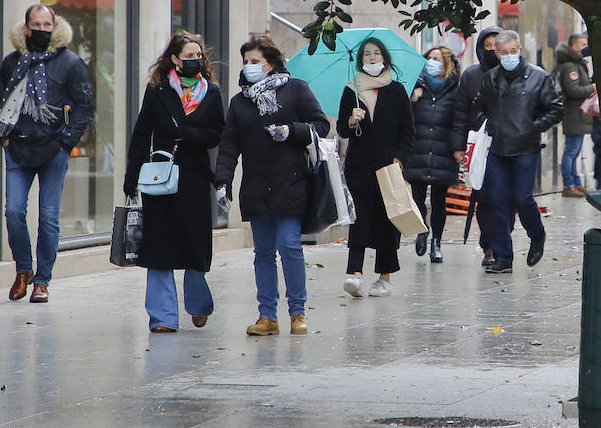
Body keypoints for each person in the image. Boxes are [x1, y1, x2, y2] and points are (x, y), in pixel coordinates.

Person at [214, 34, 328, 336]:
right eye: (246, 62)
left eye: (255, 61)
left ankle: (297, 312)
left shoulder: (296, 90)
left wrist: (291, 131)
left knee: (290, 245)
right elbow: (229, 145)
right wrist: (222, 181)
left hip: (291, 182)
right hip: (256, 185)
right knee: (262, 253)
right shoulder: (240, 102)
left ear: (271, 63)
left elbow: (321, 124)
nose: (249, 67)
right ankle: (267, 316)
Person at [124, 32, 225, 333]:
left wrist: (191, 135)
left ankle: (197, 304)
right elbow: (142, 132)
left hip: (194, 175)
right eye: (189, 56)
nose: (195, 61)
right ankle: (163, 317)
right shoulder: (157, 91)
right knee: (159, 244)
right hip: (160, 175)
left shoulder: (212, 92)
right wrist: (132, 178)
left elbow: (218, 132)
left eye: (198, 56)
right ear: (174, 59)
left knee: (194, 242)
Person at [0, 4, 94, 304]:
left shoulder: (71, 63)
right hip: (18, 147)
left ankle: (42, 281)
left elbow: (85, 106)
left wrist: (66, 142)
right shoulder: (12, 62)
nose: (41, 29)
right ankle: (23, 269)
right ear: (26, 28)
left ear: (55, 26)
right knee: (13, 212)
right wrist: (4, 138)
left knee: (49, 218)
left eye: (46, 24)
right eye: (35, 24)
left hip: (54, 150)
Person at [471, 30, 564, 273]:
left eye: (513, 51)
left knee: (522, 198)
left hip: (526, 148)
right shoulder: (490, 79)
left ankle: (537, 235)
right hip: (498, 148)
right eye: (504, 52)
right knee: (496, 201)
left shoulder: (538, 77)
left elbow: (555, 109)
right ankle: (503, 257)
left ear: (520, 50)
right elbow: (477, 106)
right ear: (497, 53)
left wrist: (533, 127)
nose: (510, 56)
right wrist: (488, 122)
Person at [339, 37, 415, 296]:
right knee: (358, 218)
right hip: (359, 167)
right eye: (367, 54)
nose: (372, 58)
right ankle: (355, 274)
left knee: (386, 220)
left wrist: (399, 157)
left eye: (376, 53)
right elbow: (341, 129)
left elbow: (408, 130)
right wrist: (351, 120)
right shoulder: (352, 89)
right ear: (361, 59)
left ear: (384, 57)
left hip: (387, 165)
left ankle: (384, 277)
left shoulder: (396, 90)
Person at [451, 26, 502, 265]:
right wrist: (458, 147)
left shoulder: (516, 73)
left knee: (508, 199)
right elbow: (460, 113)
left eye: (496, 45)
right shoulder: (471, 76)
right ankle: (489, 247)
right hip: (480, 146)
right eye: (487, 46)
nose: (492, 51)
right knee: (485, 197)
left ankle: (503, 241)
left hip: (509, 145)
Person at [404, 46, 460, 263]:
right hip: (417, 150)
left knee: (439, 201)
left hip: (443, 153)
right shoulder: (416, 88)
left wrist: (457, 148)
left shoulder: (455, 90)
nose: (431, 62)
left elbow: (459, 122)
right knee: (417, 197)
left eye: (437, 59)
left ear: (446, 65)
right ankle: (422, 231)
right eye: (429, 58)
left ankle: (437, 241)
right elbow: (403, 118)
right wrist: (413, 100)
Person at [553, 34, 593, 198]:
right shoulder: (570, 67)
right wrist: (592, 88)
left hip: (579, 114)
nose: (585, 47)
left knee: (574, 151)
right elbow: (573, 90)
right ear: (574, 46)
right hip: (574, 114)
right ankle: (569, 185)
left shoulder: (577, 65)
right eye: (582, 44)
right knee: (571, 151)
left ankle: (576, 182)